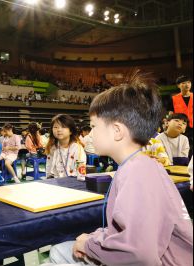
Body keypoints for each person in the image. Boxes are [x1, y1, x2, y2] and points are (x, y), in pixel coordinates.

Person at [48, 71, 193, 265]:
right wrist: (94, 238)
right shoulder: (143, 164)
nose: (90, 134)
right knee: (61, 250)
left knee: (59, 254)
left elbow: (139, 253)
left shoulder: (136, 172)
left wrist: (88, 244)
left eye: (94, 126)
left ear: (117, 131)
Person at [45, 115, 86, 179]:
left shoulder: (77, 148)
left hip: (73, 182)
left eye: (63, 127)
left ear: (71, 131)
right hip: (55, 182)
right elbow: (49, 168)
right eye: (55, 127)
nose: (59, 130)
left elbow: (81, 173)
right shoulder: (52, 148)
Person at [171, 75, 193, 143]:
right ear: (178, 85)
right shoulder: (173, 99)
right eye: (183, 83)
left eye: (189, 82)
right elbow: (171, 114)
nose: (187, 85)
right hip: (181, 128)